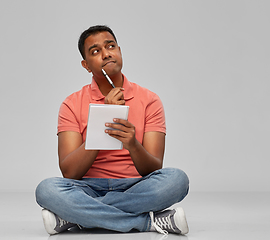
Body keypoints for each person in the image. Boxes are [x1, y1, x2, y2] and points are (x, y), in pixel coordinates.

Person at [35, 25, 190, 236]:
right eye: (95, 51)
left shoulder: (150, 100)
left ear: (119, 51)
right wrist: (103, 121)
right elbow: (70, 172)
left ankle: (78, 217)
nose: (106, 53)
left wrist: (133, 144)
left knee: (177, 180)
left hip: (137, 186)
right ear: (86, 65)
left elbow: (153, 168)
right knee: (47, 190)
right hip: (87, 188)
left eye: (111, 46)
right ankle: (147, 222)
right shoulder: (71, 104)